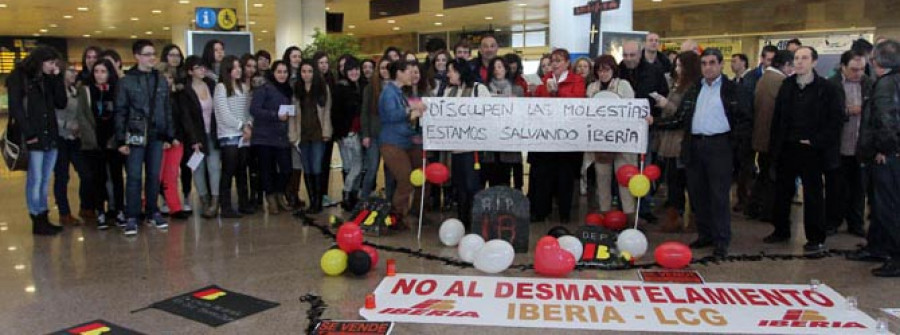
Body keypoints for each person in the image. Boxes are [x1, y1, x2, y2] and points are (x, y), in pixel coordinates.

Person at [655, 48, 751, 258]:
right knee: (698, 194)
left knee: (718, 196)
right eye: (704, 63)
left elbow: (744, 120)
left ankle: (721, 239)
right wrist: (656, 122)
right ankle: (705, 234)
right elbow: (680, 118)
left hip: (720, 146)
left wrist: (734, 146)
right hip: (695, 146)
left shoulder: (732, 89)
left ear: (720, 65)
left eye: (712, 63)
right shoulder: (694, 89)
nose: (708, 67)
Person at [767, 47, 844, 255]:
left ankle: (816, 237)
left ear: (814, 62)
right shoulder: (787, 85)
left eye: (804, 58)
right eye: (797, 58)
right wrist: (774, 146)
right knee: (782, 190)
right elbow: (778, 118)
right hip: (788, 146)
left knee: (813, 193)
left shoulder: (826, 88)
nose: (799, 62)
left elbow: (835, 120)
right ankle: (781, 230)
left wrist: (817, 140)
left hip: (812, 149)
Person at [115, 40, 174, 236]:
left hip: (157, 135)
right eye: (147, 54)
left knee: (153, 175)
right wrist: (121, 140)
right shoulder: (126, 81)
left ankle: (152, 211)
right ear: (137, 56)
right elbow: (121, 111)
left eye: (153, 54)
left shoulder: (161, 80)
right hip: (135, 134)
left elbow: (167, 109)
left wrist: (168, 134)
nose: (152, 58)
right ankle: (132, 215)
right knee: (133, 176)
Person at [7, 46, 67, 235]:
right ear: (40, 61)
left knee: (45, 178)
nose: (52, 66)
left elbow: (61, 102)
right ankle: (36, 216)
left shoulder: (49, 78)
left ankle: (43, 214)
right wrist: (29, 133)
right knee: (36, 178)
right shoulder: (20, 76)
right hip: (33, 136)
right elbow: (15, 107)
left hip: (51, 135)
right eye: (50, 63)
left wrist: (57, 78)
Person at [856, 39, 900, 276]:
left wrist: (886, 149)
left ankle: (895, 256)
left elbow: (887, 120)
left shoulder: (885, 85)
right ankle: (878, 246)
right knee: (882, 206)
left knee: (888, 207)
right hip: (891, 153)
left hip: (888, 156)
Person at [531, 48, 585, 223]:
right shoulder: (545, 80)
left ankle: (564, 213)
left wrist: (557, 93)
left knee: (565, 178)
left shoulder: (577, 80)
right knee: (545, 177)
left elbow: (577, 101)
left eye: (558, 60)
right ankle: (542, 212)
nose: (554, 64)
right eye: (552, 60)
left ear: (567, 63)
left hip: (567, 137)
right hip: (547, 137)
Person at [825, 51, 874, 237]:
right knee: (835, 187)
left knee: (859, 188)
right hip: (838, 144)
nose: (858, 73)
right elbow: (824, 114)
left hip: (861, 145)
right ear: (843, 67)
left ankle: (856, 223)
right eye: (854, 69)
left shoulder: (869, 84)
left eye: (862, 69)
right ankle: (832, 222)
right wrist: (846, 112)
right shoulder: (832, 85)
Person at [586, 55, 640, 221]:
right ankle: (605, 214)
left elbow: (631, 109)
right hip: (600, 140)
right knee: (602, 179)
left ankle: (629, 216)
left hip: (622, 140)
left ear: (613, 70)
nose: (603, 74)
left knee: (624, 178)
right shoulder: (592, 88)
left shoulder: (623, 85)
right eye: (600, 70)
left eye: (606, 69)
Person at [653, 51, 702, 232]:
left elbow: (683, 116)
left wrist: (666, 107)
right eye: (677, 65)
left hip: (681, 140)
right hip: (670, 140)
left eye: (681, 65)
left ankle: (693, 218)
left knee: (684, 182)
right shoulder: (678, 85)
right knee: (673, 183)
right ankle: (676, 216)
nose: (677, 69)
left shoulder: (692, 88)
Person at [442, 59, 491, 229]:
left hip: (473, 149)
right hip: (455, 149)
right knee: (460, 187)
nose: (448, 74)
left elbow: (490, 113)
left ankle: (477, 223)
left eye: (451, 71)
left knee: (473, 187)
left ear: (460, 72)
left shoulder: (479, 89)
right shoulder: (449, 91)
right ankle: (463, 221)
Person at [379, 59, 427, 229]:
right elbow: (390, 116)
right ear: (399, 73)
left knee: (417, 175)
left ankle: (409, 212)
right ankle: (396, 216)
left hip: (405, 141)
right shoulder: (389, 93)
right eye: (408, 71)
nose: (411, 74)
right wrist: (411, 112)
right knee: (405, 179)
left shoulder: (399, 93)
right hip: (392, 142)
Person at [746, 50, 794, 222]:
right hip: (772, 138)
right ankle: (767, 211)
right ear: (786, 65)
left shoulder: (764, 78)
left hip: (760, 135)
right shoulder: (781, 82)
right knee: (771, 177)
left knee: (764, 175)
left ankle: (753, 207)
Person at [77, 59, 120, 229]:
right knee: (98, 178)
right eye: (96, 71)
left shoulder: (116, 90)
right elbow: (82, 117)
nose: (99, 75)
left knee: (116, 177)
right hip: (94, 142)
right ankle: (100, 211)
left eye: (103, 71)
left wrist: (117, 137)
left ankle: (118, 210)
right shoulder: (86, 91)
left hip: (113, 140)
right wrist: (93, 140)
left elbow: (121, 113)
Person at [177, 56, 221, 219]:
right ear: (190, 71)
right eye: (198, 68)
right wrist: (194, 139)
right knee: (198, 169)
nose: (202, 70)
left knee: (214, 167)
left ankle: (215, 202)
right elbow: (186, 117)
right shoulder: (185, 91)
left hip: (213, 133)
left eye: (203, 67)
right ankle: (204, 200)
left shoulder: (211, 85)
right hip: (195, 136)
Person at [251, 61, 293, 215]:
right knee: (266, 169)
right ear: (273, 73)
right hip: (264, 137)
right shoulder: (264, 89)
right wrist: (275, 115)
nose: (282, 75)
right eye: (279, 72)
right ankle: (271, 199)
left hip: (282, 137)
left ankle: (280, 194)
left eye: (285, 72)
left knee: (286, 168)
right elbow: (254, 109)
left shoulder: (289, 90)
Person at [215, 55, 254, 218]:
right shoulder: (221, 88)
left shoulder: (244, 87)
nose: (238, 70)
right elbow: (224, 113)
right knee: (228, 171)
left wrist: (249, 125)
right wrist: (242, 126)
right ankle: (225, 207)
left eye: (239, 67)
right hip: (229, 134)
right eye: (235, 67)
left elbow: (248, 111)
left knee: (241, 171)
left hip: (244, 134)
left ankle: (243, 204)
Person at [290, 60, 332, 214]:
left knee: (316, 166)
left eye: (309, 71)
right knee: (306, 168)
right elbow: (293, 115)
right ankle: (312, 200)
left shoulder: (322, 88)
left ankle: (318, 201)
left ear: (314, 73)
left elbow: (327, 111)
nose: (306, 74)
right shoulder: (297, 89)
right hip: (303, 135)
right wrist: (293, 135)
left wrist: (327, 132)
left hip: (318, 134)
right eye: (303, 71)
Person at [53, 65, 91, 226]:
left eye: (75, 72)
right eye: (70, 71)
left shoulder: (76, 91)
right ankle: (64, 213)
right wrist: (69, 125)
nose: (74, 74)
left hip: (75, 139)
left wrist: (80, 128)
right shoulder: (55, 92)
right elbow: (52, 116)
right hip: (60, 139)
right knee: (62, 177)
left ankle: (86, 207)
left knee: (86, 173)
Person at [155, 64, 191, 220]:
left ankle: (175, 207)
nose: (167, 81)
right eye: (163, 77)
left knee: (171, 175)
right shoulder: (153, 98)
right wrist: (165, 139)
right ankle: (144, 205)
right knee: (155, 176)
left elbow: (182, 119)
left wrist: (177, 138)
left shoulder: (178, 97)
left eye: (170, 77)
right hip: (159, 141)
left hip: (177, 141)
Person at [484, 56, 524, 189]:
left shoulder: (517, 90)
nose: (497, 70)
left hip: (509, 140)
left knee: (507, 176)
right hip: (490, 140)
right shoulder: (484, 90)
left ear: (506, 69)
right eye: (494, 67)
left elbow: (523, 115)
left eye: (500, 67)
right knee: (492, 177)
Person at [333, 57, 365, 211]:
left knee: (350, 166)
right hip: (348, 134)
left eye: (356, 69)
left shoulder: (357, 86)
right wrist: (343, 134)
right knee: (357, 166)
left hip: (353, 133)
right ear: (345, 71)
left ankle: (350, 196)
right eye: (350, 70)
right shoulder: (342, 88)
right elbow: (336, 113)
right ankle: (347, 193)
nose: (354, 72)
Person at [360, 58, 392, 200]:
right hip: (374, 134)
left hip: (392, 136)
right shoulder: (370, 88)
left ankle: (390, 201)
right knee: (372, 168)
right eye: (382, 68)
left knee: (390, 169)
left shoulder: (398, 87)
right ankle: (364, 200)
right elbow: (365, 112)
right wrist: (365, 134)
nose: (385, 71)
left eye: (388, 68)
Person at [313, 51, 338, 208]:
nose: (323, 65)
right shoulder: (313, 82)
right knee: (317, 164)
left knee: (325, 164)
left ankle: (323, 194)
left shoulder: (331, 80)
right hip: (317, 130)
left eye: (325, 63)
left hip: (330, 128)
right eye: (320, 62)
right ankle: (317, 196)